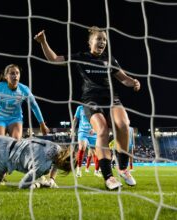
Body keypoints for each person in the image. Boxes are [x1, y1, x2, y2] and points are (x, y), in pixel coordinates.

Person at [34, 26, 141, 190]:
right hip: (91, 99)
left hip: (111, 98)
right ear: (90, 42)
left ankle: (123, 168)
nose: (102, 42)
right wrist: (43, 42)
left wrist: (134, 82)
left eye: (104, 40)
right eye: (99, 39)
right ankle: (109, 177)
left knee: (124, 125)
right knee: (103, 131)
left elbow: (124, 79)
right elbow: (54, 59)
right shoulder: (81, 57)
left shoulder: (109, 60)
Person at [0, 64, 50, 174]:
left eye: (17, 73)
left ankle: (7, 169)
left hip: (15, 119)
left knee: (16, 144)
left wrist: (42, 124)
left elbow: (34, 106)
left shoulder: (24, 90)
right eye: (12, 73)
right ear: (6, 76)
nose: (15, 76)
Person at [71, 105, 101, 178]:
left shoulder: (96, 107)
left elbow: (99, 121)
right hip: (82, 132)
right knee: (82, 148)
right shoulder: (80, 108)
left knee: (97, 153)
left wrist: (94, 129)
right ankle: (79, 170)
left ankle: (96, 171)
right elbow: (75, 119)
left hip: (93, 133)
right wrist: (72, 129)